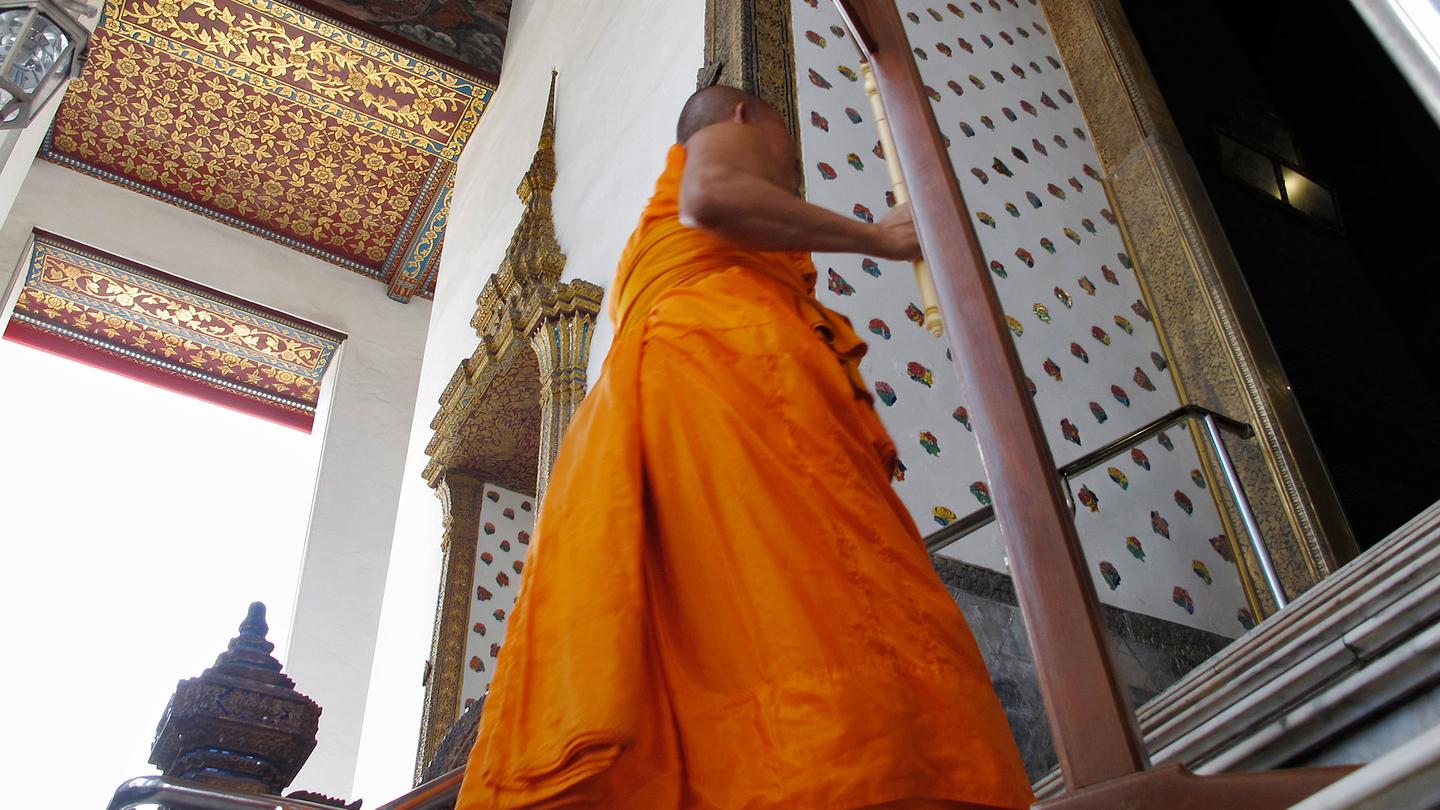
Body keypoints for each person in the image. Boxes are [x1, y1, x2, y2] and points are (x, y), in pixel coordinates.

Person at [455, 85, 1032, 810]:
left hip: (700, 400)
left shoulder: (678, 260)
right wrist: (879, 239)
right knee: (807, 609)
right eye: (787, 146)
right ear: (744, 118)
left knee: (733, 633)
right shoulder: (713, 160)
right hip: (723, 385)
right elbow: (713, 196)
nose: (792, 167)